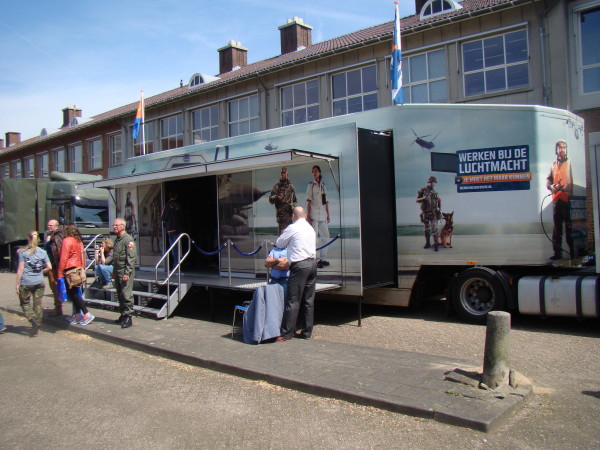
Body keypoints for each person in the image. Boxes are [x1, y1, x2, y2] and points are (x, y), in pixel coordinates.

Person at [275, 206, 317, 341]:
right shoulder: (310, 227)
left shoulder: (293, 228)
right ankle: (306, 332)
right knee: (308, 300)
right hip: (312, 264)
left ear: (293, 216)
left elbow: (279, 243)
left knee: (293, 299)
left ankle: (286, 333)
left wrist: (284, 233)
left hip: (300, 265)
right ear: (303, 215)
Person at [16, 231, 52, 336]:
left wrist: (17, 284)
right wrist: (41, 272)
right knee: (37, 304)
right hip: (39, 282)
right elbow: (49, 267)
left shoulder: (23, 252)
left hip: (26, 282)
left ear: (28, 238)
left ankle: (32, 321)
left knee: (25, 303)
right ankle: (38, 323)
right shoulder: (43, 252)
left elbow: (20, 269)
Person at [58, 224, 94, 326]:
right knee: (75, 293)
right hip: (78, 269)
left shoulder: (67, 240)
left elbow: (64, 257)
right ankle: (78, 314)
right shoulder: (79, 241)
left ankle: (86, 314)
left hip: (70, 269)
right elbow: (83, 256)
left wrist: (60, 273)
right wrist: (82, 268)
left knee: (73, 294)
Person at [546, 140, 574, 260]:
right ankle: (557, 253)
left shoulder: (569, 162)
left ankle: (573, 252)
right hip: (557, 199)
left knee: (569, 227)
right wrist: (551, 186)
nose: (562, 149)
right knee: (557, 229)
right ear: (556, 150)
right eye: (560, 147)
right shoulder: (553, 165)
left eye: (564, 147)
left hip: (568, 199)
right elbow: (548, 179)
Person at [112, 217, 137, 328]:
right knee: (120, 294)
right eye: (114, 225)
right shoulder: (117, 240)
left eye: (116, 225)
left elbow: (131, 258)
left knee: (126, 294)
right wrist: (113, 271)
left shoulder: (128, 240)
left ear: (123, 226)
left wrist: (127, 272)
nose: (114, 227)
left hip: (124, 270)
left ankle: (128, 317)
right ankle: (123, 314)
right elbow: (116, 257)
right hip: (117, 270)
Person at [306, 165, 330, 268]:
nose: (314, 173)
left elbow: (326, 202)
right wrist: (308, 216)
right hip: (314, 215)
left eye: (315, 171)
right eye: (313, 171)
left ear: (319, 172)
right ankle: (316, 260)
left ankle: (322, 258)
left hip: (322, 214)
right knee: (314, 238)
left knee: (326, 236)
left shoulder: (323, 186)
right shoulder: (311, 185)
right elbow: (308, 202)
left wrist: (328, 214)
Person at [416, 176, 442, 252]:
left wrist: (440, 208)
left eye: (433, 182)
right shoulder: (423, 190)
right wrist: (423, 198)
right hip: (426, 213)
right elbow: (417, 200)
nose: (432, 183)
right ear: (428, 182)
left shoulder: (435, 192)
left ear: (435, 183)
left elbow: (438, 201)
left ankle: (436, 244)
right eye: (430, 182)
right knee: (427, 229)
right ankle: (427, 243)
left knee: (435, 229)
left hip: (434, 213)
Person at [44, 219, 64, 316]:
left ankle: (58, 308)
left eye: (51, 225)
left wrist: (58, 266)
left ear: (56, 226)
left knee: (55, 287)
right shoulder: (51, 236)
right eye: (48, 225)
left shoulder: (57, 237)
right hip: (51, 266)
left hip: (54, 266)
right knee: (54, 287)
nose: (49, 227)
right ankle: (57, 306)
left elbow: (58, 251)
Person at [269, 167, 297, 234]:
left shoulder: (291, 187)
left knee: (290, 237)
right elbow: (270, 199)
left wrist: (293, 210)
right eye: (281, 173)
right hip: (281, 217)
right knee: (282, 237)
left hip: (289, 217)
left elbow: (294, 200)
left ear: (287, 174)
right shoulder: (276, 187)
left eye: (284, 173)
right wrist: (276, 197)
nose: (282, 174)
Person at [161, 191, 184, 263]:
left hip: (171, 229)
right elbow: (182, 217)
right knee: (178, 246)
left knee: (173, 247)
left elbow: (163, 217)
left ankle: (175, 264)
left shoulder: (167, 205)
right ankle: (178, 263)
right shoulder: (179, 205)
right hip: (179, 228)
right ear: (176, 196)